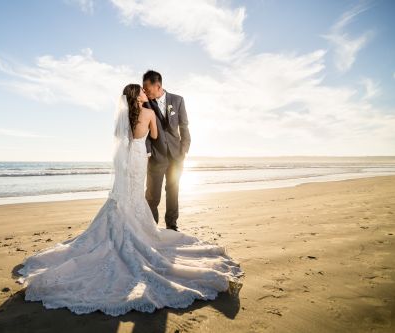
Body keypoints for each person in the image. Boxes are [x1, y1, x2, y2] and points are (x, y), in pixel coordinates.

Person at [16, 83, 244, 317]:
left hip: (125, 159)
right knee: (136, 194)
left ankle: (120, 226)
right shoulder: (149, 113)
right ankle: (137, 229)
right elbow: (154, 136)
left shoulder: (123, 116)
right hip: (138, 157)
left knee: (122, 195)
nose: (146, 94)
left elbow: (119, 138)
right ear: (137, 96)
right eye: (143, 92)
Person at [143, 70, 190, 231]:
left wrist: (184, 150)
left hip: (177, 156)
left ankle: (172, 225)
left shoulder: (178, 100)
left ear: (158, 86)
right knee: (152, 196)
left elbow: (184, 127)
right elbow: (145, 132)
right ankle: (151, 227)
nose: (146, 92)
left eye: (148, 89)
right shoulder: (145, 103)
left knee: (173, 192)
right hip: (156, 157)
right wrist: (148, 152)